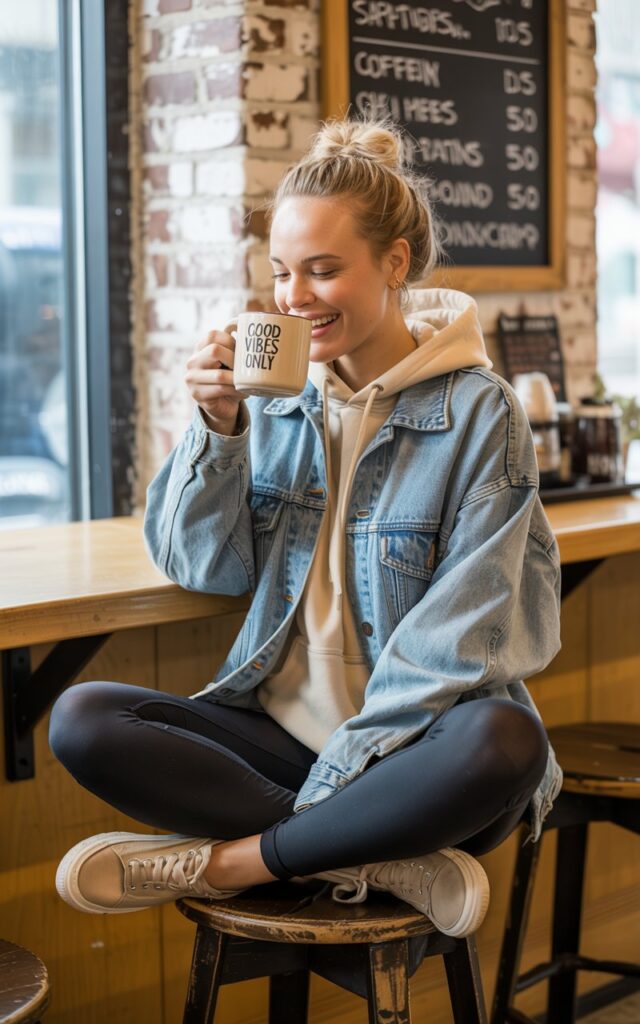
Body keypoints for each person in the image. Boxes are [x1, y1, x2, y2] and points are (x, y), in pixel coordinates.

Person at [50, 118, 562, 939]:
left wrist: (341, 781)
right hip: (287, 739)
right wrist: (216, 426)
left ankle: (241, 859)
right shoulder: (278, 404)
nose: (295, 297)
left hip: (417, 757)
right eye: (284, 273)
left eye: (324, 270)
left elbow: (462, 639)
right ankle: (378, 858)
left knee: (507, 739)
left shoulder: (477, 413)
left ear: (394, 262)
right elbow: (203, 566)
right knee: (81, 718)